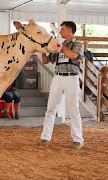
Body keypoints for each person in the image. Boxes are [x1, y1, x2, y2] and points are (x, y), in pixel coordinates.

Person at [40, 21, 84, 149]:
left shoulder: (78, 44)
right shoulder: (57, 45)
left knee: (73, 109)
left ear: (70, 30)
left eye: (62, 29)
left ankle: (77, 139)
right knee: (51, 108)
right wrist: (43, 50)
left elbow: (73, 55)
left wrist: (60, 46)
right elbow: (46, 60)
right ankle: (45, 137)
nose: (60, 31)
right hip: (58, 77)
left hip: (72, 78)